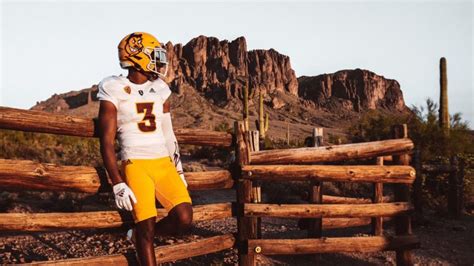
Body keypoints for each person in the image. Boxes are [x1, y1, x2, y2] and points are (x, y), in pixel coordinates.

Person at [97, 32, 193, 266]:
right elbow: (106, 141)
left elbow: (169, 134)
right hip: (135, 164)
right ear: (137, 56)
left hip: (163, 163)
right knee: (146, 226)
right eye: (154, 55)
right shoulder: (114, 86)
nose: (159, 61)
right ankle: (141, 236)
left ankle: (136, 236)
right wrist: (118, 182)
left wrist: (178, 170)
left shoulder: (161, 88)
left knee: (184, 218)